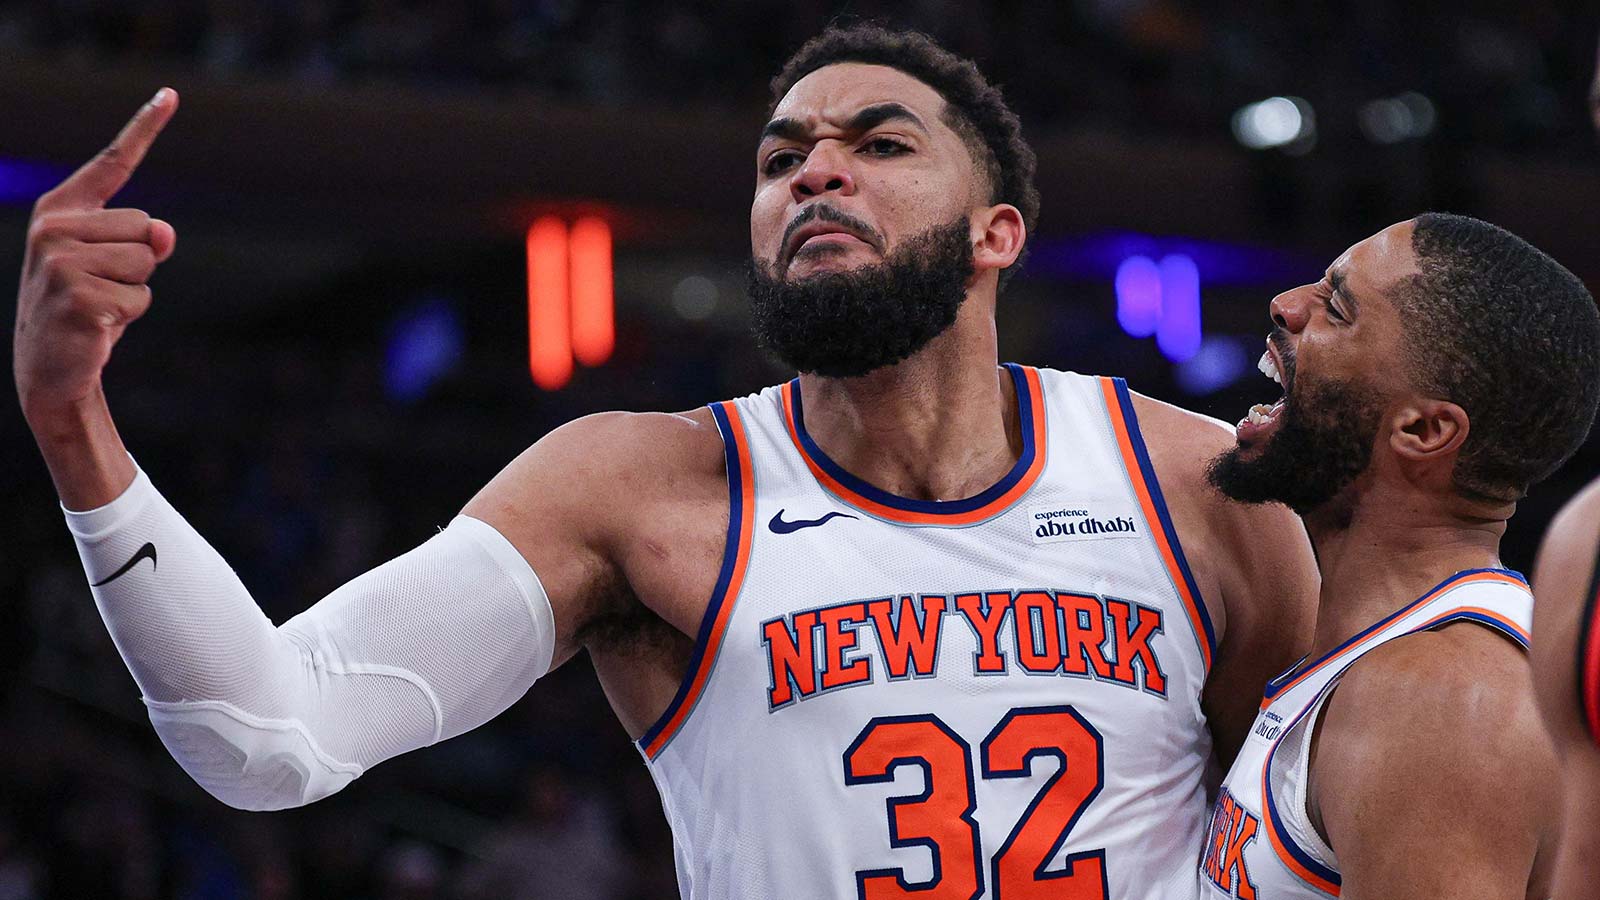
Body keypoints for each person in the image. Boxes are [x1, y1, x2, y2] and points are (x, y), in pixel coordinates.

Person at [14, 26, 1318, 899]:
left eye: (879, 144)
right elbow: (270, 738)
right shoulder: (634, 490)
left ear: (997, 232)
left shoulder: (1199, 484)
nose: (816, 172)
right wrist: (77, 424)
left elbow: (1314, 831)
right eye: (780, 158)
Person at [1194, 212, 1599, 899]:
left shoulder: (1439, 701)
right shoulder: (1392, 663)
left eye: (1337, 307)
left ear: (1423, 429)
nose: (1287, 305)